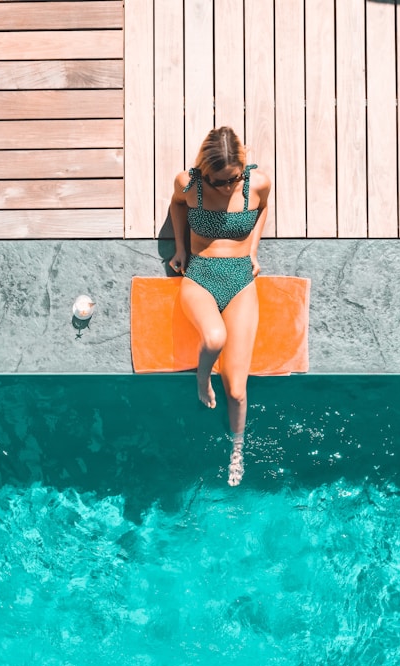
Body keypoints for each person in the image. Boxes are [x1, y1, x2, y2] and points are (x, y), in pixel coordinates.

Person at [169, 126, 270, 486]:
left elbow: (262, 211)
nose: (227, 188)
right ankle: (201, 380)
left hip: (242, 279)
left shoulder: (257, 183)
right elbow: (176, 206)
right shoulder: (188, 184)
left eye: (233, 180)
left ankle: (237, 449)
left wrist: (254, 250)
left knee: (238, 390)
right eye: (219, 181)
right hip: (201, 275)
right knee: (214, 339)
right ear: (204, 171)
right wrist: (180, 248)